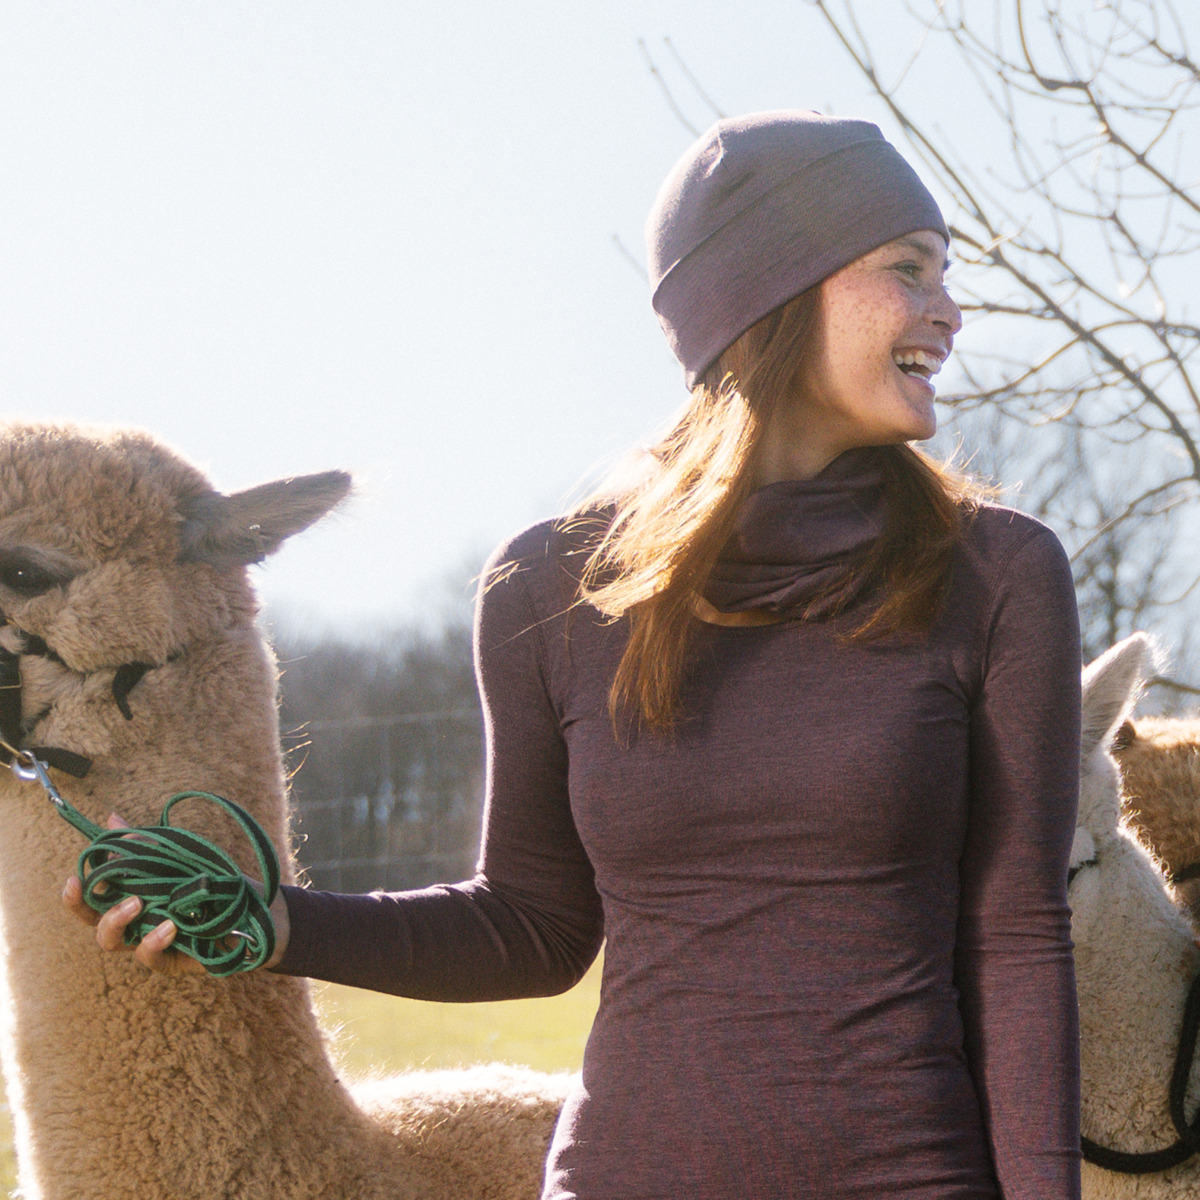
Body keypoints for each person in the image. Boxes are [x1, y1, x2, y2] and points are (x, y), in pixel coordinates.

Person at [66, 110, 1083, 1199]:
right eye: (908, 269)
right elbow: (532, 928)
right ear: (772, 291)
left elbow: (1017, 940)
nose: (951, 310)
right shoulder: (550, 588)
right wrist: (266, 922)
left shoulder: (997, 574)